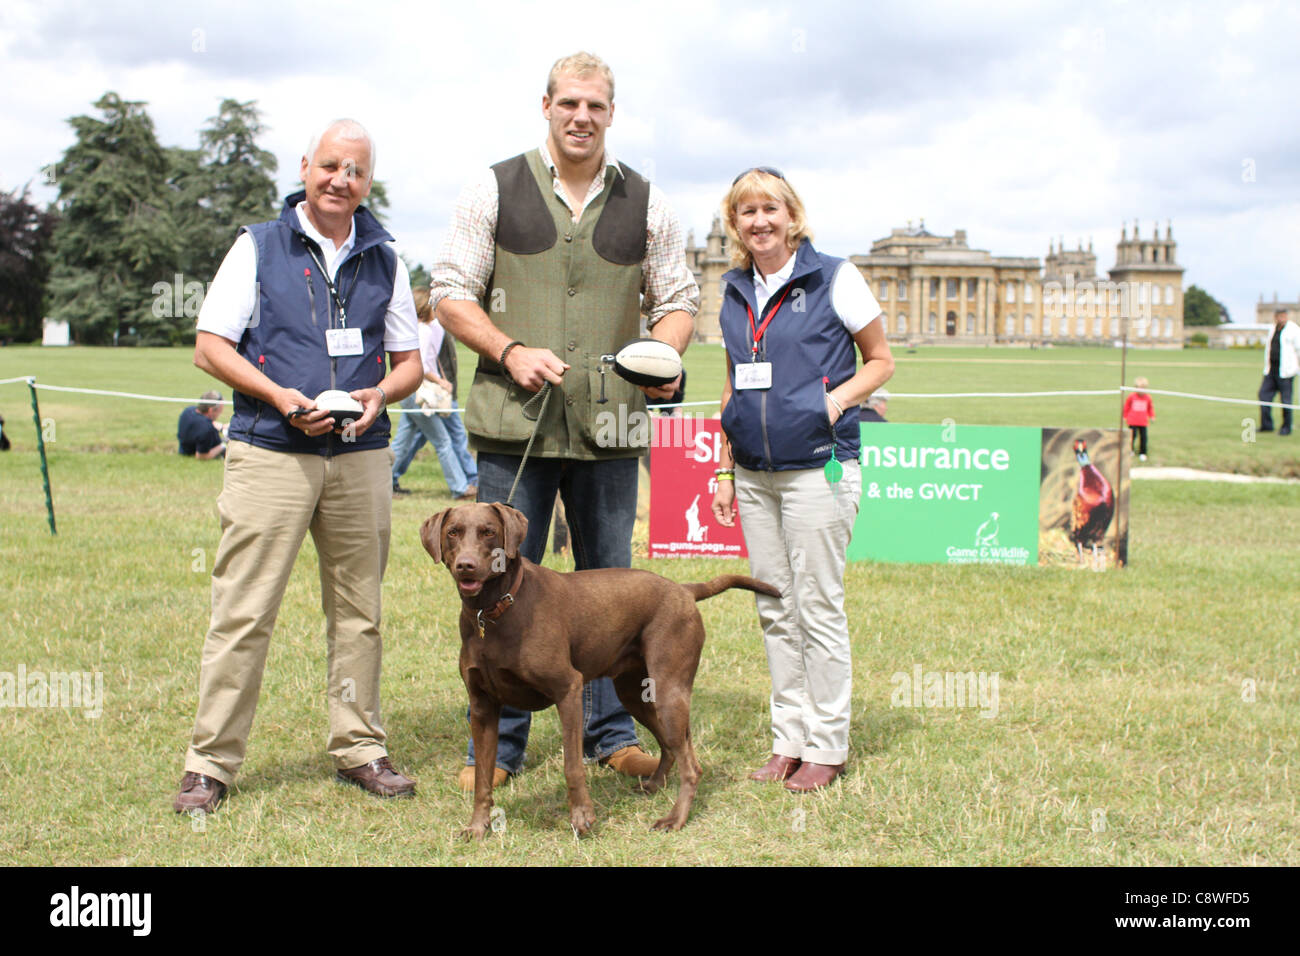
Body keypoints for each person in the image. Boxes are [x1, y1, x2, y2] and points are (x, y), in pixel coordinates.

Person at [431, 51, 699, 790]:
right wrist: (508, 349)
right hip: (513, 423)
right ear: (546, 106)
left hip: (610, 427)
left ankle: (614, 736)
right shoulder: (492, 187)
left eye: (596, 106)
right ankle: (500, 750)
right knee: (498, 577)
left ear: (611, 113)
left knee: (608, 586)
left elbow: (679, 300)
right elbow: (449, 291)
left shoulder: (650, 201)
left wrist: (664, 354)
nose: (582, 117)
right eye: (569, 103)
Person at [173, 118, 423, 815]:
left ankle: (361, 747)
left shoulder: (386, 258)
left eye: (356, 171)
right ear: (306, 166)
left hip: (360, 456)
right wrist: (281, 397)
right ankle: (209, 763)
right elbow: (210, 346)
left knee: (359, 614)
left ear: (368, 182)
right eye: (331, 166)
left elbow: (409, 363)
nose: (342, 180)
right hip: (271, 451)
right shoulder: (258, 246)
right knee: (244, 611)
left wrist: (380, 395)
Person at [711, 167, 894, 793]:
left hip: (820, 467)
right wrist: (724, 466)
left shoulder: (835, 277)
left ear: (792, 215)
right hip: (754, 474)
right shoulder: (734, 290)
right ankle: (788, 739)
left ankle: (828, 744)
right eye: (747, 211)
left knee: (816, 607)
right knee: (773, 607)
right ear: (734, 223)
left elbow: (881, 361)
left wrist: (833, 403)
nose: (760, 221)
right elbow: (734, 384)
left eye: (771, 208)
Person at [390, 287, 479, 498]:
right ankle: (460, 487)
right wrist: (441, 381)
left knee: (403, 442)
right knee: (443, 441)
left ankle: (385, 482)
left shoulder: (414, 329)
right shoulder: (423, 331)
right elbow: (420, 365)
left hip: (411, 394)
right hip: (421, 394)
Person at [1259, 309, 1300, 436]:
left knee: (1286, 401)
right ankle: (1267, 425)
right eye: (1279, 316)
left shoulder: (1294, 330)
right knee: (1263, 396)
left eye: (1283, 316)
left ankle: (1286, 428)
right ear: (1275, 317)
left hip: (1286, 372)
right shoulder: (1272, 329)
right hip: (1271, 370)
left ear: (1286, 316)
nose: (1281, 319)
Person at [177, 389, 227, 459]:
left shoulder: (188, 411)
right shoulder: (207, 429)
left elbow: (207, 422)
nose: (220, 413)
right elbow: (201, 456)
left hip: (184, 448)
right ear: (211, 410)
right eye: (220, 411)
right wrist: (222, 446)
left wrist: (222, 427)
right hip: (195, 451)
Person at [1123, 377, 1155, 460]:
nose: (1141, 390)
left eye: (1143, 388)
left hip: (1143, 422)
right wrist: (1125, 416)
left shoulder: (1148, 397)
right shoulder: (1131, 396)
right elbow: (1126, 407)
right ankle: (1130, 450)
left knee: (1143, 437)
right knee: (1132, 436)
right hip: (1132, 421)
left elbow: (1150, 408)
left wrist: (1152, 416)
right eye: (1139, 388)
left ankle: (1143, 452)